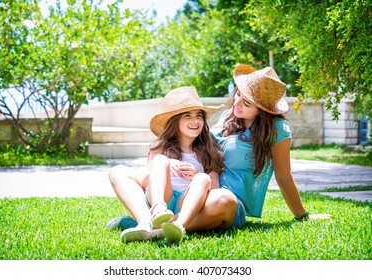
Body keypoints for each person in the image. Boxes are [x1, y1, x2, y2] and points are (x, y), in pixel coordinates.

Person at [108, 64, 331, 238]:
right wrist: (163, 162)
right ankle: (147, 218)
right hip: (195, 194)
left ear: (262, 110)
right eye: (238, 95)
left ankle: (150, 229)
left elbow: (283, 175)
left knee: (224, 197)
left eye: (247, 103)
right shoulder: (228, 118)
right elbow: (197, 147)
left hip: (223, 201)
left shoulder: (276, 129)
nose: (237, 103)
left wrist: (302, 215)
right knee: (121, 172)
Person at [108, 86, 224, 242]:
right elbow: (145, 181)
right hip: (163, 198)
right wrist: (167, 163)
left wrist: (196, 176)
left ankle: (157, 225)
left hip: (187, 204)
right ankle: (154, 213)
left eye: (199, 115)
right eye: (187, 116)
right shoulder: (160, 148)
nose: (195, 121)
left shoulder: (208, 151)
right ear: (174, 121)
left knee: (203, 179)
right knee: (126, 169)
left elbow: (214, 188)